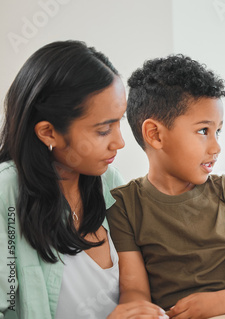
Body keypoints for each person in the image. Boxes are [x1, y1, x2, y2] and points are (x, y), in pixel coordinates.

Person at [106, 55, 225, 319]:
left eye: (218, 131)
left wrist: (215, 304)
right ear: (155, 134)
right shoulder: (124, 205)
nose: (216, 147)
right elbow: (134, 290)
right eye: (203, 131)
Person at [0, 40, 166, 319]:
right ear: (48, 133)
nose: (120, 142)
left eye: (118, 122)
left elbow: (137, 282)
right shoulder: (7, 194)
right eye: (103, 130)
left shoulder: (109, 182)